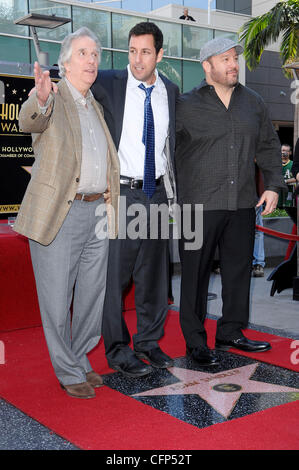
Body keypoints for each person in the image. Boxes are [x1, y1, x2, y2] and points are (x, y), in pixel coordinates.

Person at [13, 27, 120, 399]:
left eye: (95, 54)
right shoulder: (53, 97)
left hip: (97, 213)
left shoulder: (97, 106)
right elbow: (30, 120)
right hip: (60, 212)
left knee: (92, 296)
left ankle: (79, 359)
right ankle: (67, 369)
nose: (92, 60)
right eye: (84, 54)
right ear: (66, 63)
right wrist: (40, 100)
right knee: (57, 299)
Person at [175, 37, 286, 366]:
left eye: (234, 58)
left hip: (241, 203)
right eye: (224, 59)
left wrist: (274, 186)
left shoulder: (253, 102)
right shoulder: (184, 104)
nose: (233, 64)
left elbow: (268, 145)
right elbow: (164, 150)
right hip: (198, 205)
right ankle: (195, 340)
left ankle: (231, 331)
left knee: (238, 271)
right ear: (206, 66)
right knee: (195, 275)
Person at [91, 22, 179, 378]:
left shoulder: (171, 92)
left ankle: (148, 342)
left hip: (156, 192)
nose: (137, 59)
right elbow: (69, 89)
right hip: (120, 193)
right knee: (115, 277)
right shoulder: (108, 82)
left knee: (154, 274)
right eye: (132, 50)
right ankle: (117, 350)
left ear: (159, 54)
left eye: (145, 52)